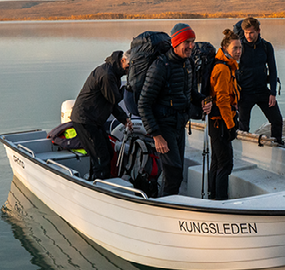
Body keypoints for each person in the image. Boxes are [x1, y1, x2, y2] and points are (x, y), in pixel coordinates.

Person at [138, 23, 212, 197]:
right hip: (164, 128)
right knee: (173, 172)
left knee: (175, 172)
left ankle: (170, 204)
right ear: (176, 43)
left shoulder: (188, 64)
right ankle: (166, 210)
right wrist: (156, 136)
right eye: (187, 42)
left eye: (193, 41)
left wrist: (203, 101)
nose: (192, 46)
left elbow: (191, 93)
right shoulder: (160, 67)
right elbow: (144, 103)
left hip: (180, 124)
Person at [70, 50, 133, 180]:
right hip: (85, 119)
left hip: (94, 120)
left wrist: (124, 120)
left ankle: (94, 179)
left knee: (107, 153)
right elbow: (114, 99)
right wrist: (128, 87)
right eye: (129, 66)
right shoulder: (107, 75)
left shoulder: (113, 72)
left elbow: (111, 103)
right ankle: (100, 184)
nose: (130, 70)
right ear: (123, 60)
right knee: (100, 156)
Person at [236, 17, 283, 144]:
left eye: (251, 32)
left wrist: (273, 92)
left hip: (262, 91)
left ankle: (277, 145)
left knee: (277, 120)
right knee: (243, 126)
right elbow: (231, 71)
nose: (248, 36)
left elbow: (273, 70)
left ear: (258, 31)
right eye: (246, 32)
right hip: (245, 93)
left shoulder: (266, 46)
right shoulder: (239, 47)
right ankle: (242, 150)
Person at [207, 29, 242, 200]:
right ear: (225, 48)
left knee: (217, 161)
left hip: (217, 123)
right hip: (220, 123)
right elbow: (222, 100)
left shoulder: (228, 66)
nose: (238, 51)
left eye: (240, 48)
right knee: (225, 164)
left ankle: (213, 196)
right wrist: (231, 125)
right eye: (235, 48)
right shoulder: (222, 69)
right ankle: (220, 200)